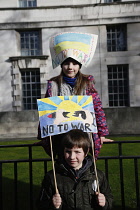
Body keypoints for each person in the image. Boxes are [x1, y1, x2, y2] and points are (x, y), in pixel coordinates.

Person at [37, 32, 113, 159]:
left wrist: (102, 133)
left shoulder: (87, 84)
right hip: (61, 136)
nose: (70, 67)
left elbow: (97, 110)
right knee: (64, 163)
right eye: (66, 63)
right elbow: (46, 112)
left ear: (79, 66)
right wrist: (43, 136)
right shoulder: (53, 85)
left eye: (74, 64)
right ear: (61, 65)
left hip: (83, 135)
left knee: (82, 162)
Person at [37, 129, 113, 210]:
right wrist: (53, 205)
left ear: (86, 152)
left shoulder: (98, 175)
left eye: (77, 152)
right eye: (68, 152)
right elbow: (41, 204)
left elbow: (110, 199)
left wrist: (105, 202)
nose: (72, 157)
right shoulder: (52, 177)